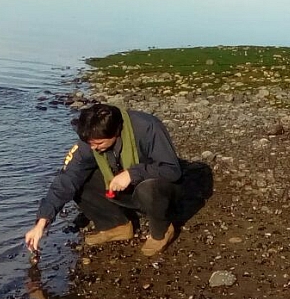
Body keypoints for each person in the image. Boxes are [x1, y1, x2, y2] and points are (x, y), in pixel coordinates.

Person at [25, 103, 182, 256]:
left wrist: (132, 174)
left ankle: (161, 231)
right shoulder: (90, 140)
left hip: (160, 192)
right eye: (90, 143)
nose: (93, 148)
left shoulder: (147, 127)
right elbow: (66, 179)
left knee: (149, 188)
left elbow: (172, 170)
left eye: (99, 143)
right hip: (122, 190)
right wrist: (42, 222)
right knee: (78, 180)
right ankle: (116, 225)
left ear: (116, 132)